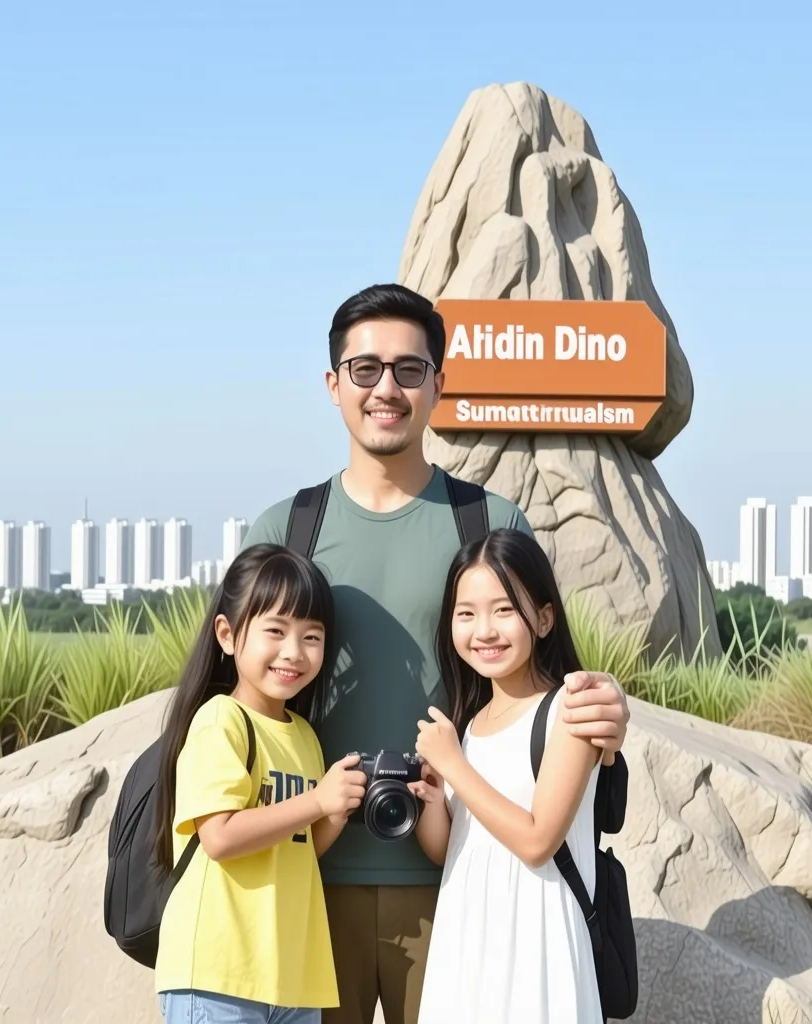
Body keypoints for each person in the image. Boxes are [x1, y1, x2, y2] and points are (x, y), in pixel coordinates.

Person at [239, 283, 631, 1024]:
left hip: (456, 880)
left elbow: (542, 673)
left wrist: (605, 705)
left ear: (439, 384)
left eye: (409, 369)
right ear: (333, 385)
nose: (387, 388)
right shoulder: (285, 530)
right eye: (365, 369)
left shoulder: (487, 522)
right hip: (308, 877)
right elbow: (235, 697)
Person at [153, 543, 369, 1024]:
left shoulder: (306, 735)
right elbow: (221, 837)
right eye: (275, 631)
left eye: (312, 637)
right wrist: (315, 800)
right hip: (219, 973)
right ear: (227, 635)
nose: (294, 652)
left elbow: (298, 847)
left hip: (291, 977)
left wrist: (332, 814)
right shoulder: (221, 721)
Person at [410, 528, 606, 1023]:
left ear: (543, 619)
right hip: (467, 937)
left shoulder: (568, 710)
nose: (484, 631)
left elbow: (538, 839)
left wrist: (455, 766)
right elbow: (451, 850)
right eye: (466, 613)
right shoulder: (470, 723)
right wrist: (433, 796)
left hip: (537, 938)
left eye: (504, 610)